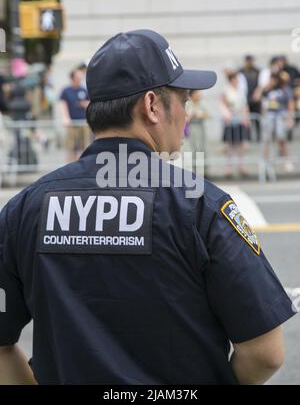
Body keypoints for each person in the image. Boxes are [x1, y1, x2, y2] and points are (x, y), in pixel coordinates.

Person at [0, 29, 296, 385]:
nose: (187, 115)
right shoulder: (200, 205)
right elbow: (265, 353)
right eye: (184, 100)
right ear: (152, 106)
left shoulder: (24, 210)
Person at [262, 72, 295, 172]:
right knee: (267, 139)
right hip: (270, 115)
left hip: (280, 115)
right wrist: (264, 86)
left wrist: (290, 117)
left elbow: (290, 103)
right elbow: (258, 98)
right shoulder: (268, 90)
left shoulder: (284, 89)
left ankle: (286, 160)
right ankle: (266, 161)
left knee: (282, 138)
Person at [220, 71, 251, 177]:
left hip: (240, 120)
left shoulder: (240, 92)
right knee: (230, 144)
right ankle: (228, 167)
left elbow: (244, 106)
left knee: (240, 144)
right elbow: (223, 104)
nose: (236, 81)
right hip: (230, 120)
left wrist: (247, 118)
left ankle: (240, 166)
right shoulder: (226, 91)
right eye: (234, 79)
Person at [59, 68, 90, 162]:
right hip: (72, 124)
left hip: (83, 123)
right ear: (73, 77)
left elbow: (90, 102)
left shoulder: (83, 90)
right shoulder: (66, 90)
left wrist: (84, 104)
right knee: (71, 148)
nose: (80, 78)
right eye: (78, 76)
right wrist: (65, 117)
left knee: (83, 147)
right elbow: (62, 104)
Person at [239, 55, 261, 141]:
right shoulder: (241, 71)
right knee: (247, 119)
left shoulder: (257, 71)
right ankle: (248, 137)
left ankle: (258, 137)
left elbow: (260, 84)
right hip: (246, 98)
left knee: (257, 119)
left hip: (255, 99)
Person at [186, 89, 208, 172]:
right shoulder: (188, 104)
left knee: (201, 150)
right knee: (192, 150)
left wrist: (200, 115)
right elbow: (186, 117)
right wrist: (192, 115)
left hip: (200, 129)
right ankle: (192, 171)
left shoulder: (201, 104)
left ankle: (201, 171)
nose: (199, 95)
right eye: (197, 93)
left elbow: (208, 114)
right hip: (191, 129)